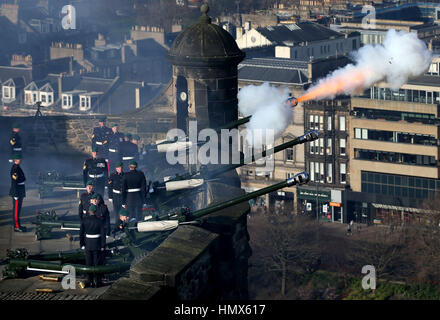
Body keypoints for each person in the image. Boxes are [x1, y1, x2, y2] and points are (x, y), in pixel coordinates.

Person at [80, 204, 106, 288]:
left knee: (88, 263)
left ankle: (89, 281)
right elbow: (103, 234)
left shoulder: (84, 220)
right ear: (96, 211)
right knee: (97, 263)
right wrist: (102, 245)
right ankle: (97, 281)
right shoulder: (100, 220)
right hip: (97, 244)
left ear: (89, 211)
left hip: (88, 244)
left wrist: (82, 244)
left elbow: (81, 234)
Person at [9, 154, 26, 232]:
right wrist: (15, 194)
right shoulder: (15, 169)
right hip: (17, 192)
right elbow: (14, 182)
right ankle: (16, 226)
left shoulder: (17, 167)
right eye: (19, 159)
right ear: (16, 160)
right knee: (16, 211)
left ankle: (18, 225)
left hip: (20, 191)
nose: (21, 160)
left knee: (18, 210)